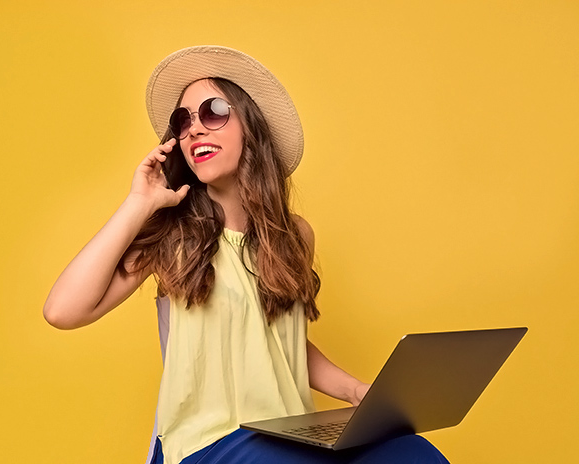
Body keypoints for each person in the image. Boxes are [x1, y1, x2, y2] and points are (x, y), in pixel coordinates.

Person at [43, 46, 448, 464]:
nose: (195, 129)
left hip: (292, 437)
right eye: (183, 121)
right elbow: (63, 311)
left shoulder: (294, 235)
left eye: (213, 111)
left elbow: (279, 344)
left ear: (251, 127)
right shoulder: (173, 234)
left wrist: (358, 393)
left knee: (414, 453)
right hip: (206, 445)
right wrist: (138, 203)